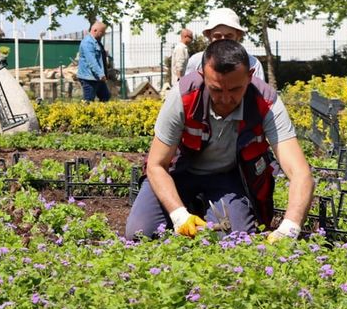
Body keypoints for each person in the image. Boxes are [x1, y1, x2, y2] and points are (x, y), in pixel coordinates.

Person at [125, 39, 313, 243]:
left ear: (250, 76)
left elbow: (300, 172)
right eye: (216, 89)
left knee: (234, 240)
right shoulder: (183, 95)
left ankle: (204, 207)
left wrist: (290, 228)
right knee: (140, 233)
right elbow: (156, 165)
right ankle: (189, 206)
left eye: (234, 89)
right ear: (202, 76)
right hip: (178, 174)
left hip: (226, 179)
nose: (225, 99)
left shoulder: (266, 100)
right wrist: (179, 215)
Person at [185, 8, 265, 81]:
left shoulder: (252, 64)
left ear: (238, 36)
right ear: (209, 36)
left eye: (229, 36)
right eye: (217, 36)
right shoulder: (196, 61)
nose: (223, 40)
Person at [76, 21, 110, 102]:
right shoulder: (88, 42)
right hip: (89, 77)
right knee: (88, 100)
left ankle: (101, 110)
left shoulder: (96, 42)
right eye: (102, 32)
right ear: (95, 30)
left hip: (97, 77)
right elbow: (91, 61)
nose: (104, 34)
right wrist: (101, 74)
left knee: (105, 96)